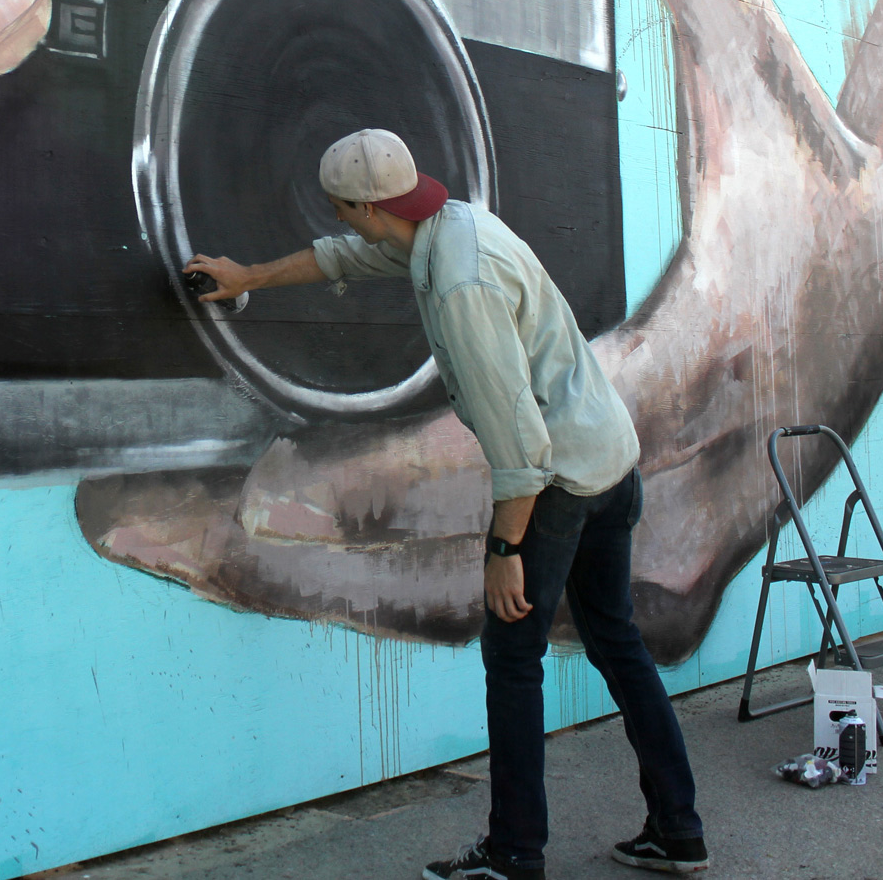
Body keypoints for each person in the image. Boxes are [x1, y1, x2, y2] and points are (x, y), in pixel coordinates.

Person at [185, 129, 709, 880]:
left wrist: (503, 553)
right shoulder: (448, 222)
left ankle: (514, 852)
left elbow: (523, 448)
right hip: (608, 461)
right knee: (617, 642)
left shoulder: (460, 283)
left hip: (556, 479)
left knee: (513, 657)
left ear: (366, 204)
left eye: (340, 207)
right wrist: (249, 277)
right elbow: (346, 255)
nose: (340, 220)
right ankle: (679, 829)